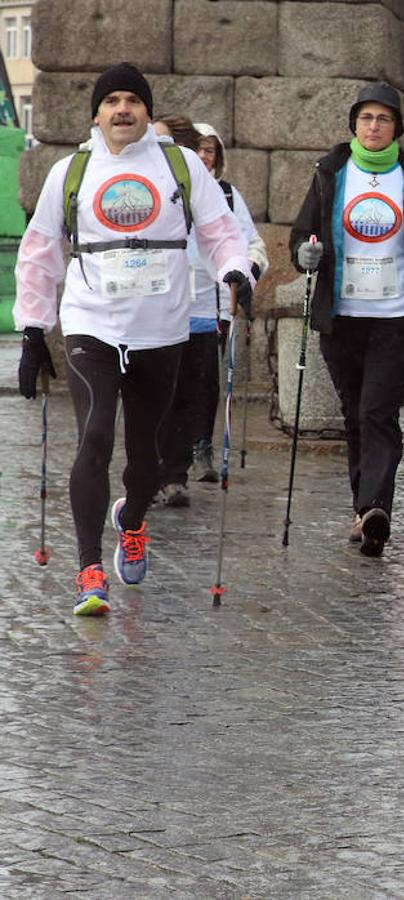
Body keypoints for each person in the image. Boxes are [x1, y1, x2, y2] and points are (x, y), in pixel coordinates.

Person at [14, 63, 254, 615]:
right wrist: (32, 328)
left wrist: (236, 269)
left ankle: (133, 519)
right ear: (96, 113)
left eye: (133, 101)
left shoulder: (181, 163)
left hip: (160, 325)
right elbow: (41, 249)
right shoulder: (71, 171)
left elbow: (221, 232)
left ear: (147, 111)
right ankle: (89, 570)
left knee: (145, 455)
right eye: (112, 101)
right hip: (91, 321)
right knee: (95, 436)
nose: (123, 109)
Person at [288, 83, 404, 556]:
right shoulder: (331, 173)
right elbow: (303, 236)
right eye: (366, 119)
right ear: (354, 125)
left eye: (383, 119)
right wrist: (305, 254)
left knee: (377, 412)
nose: (374, 126)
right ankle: (363, 509)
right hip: (341, 317)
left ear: (397, 128)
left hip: (398, 317)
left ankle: (376, 506)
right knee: (354, 413)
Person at [153, 117, 268, 507]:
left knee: (193, 394)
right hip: (153, 310)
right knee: (155, 396)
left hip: (205, 309)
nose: (202, 156)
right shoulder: (152, 188)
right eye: (197, 149)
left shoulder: (227, 197)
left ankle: (176, 472)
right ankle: (152, 470)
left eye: (209, 150)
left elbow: (249, 246)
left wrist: (246, 275)